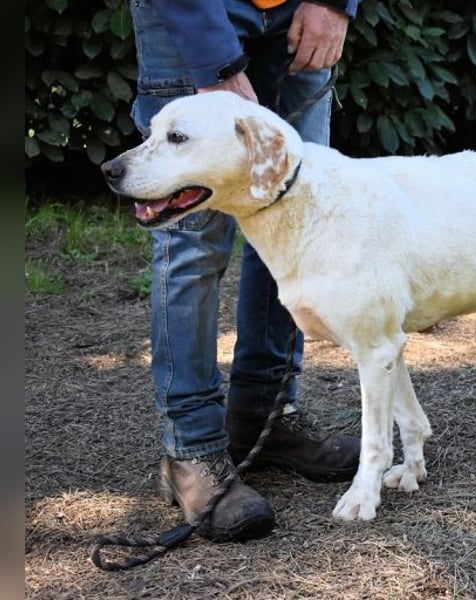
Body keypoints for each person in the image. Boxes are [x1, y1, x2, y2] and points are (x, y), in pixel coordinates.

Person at [129, 0, 361, 543]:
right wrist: (215, 59)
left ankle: (266, 414)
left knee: (291, 217)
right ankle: (192, 451)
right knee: (191, 242)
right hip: (195, 12)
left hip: (299, 11)